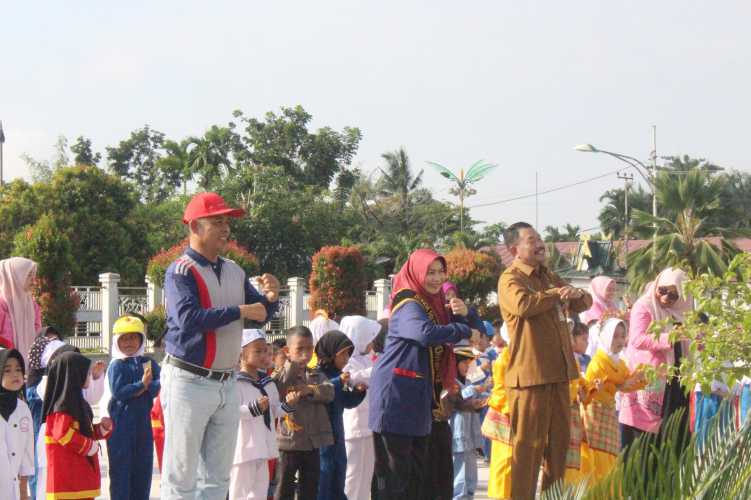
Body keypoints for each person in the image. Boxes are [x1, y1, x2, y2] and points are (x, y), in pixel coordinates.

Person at [161, 191, 280, 499]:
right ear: (194, 226)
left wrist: (272, 298)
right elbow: (188, 318)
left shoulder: (234, 270)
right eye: (217, 221)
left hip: (225, 382)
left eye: (227, 221)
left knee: (217, 478)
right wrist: (240, 311)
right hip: (188, 380)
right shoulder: (180, 271)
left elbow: (261, 314)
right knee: (181, 477)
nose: (226, 228)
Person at [369, 248, 480, 500]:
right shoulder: (408, 301)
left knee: (416, 477)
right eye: (430, 272)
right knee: (394, 478)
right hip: (396, 396)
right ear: (417, 272)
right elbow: (424, 333)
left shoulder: (437, 304)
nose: (437, 278)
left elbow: (475, 329)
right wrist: (461, 329)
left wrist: (467, 314)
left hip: (420, 399)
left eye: (441, 272)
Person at [497, 222, 591, 499]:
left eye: (539, 238)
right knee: (527, 453)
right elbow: (524, 305)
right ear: (514, 249)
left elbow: (582, 303)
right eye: (531, 240)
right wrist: (555, 294)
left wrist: (577, 293)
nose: (540, 244)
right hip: (529, 379)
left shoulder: (549, 275)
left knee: (558, 452)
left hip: (560, 377)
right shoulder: (509, 278)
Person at [619, 268, 691, 449]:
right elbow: (637, 339)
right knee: (644, 438)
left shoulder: (682, 311)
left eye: (674, 295)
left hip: (676, 378)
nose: (666, 298)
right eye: (663, 291)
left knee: (673, 433)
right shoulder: (645, 306)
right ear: (657, 285)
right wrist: (669, 338)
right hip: (649, 378)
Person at [34, 342, 106, 500]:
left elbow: (83, 430)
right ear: (74, 375)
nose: (88, 377)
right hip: (68, 481)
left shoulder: (78, 404)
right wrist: (89, 446)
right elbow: (63, 433)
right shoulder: (62, 407)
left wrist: (102, 429)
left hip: (79, 478)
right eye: (86, 374)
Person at [231, 329, 296, 500]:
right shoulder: (235, 383)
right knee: (239, 493)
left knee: (259, 492)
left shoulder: (268, 384)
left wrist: (288, 405)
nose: (263, 355)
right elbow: (231, 412)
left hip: (263, 445)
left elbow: (274, 411)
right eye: (257, 351)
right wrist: (253, 408)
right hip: (243, 448)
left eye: (265, 351)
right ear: (242, 354)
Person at [578, 318, 645, 482]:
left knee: (611, 455)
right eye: (615, 336)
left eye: (623, 336)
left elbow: (626, 383)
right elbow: (590, 391)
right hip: (595, 415)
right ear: (607, 337)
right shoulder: (598, 362)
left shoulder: (620, 363)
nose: (620, 341)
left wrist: (643, 376)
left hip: (608, 413)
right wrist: (620, 385)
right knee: (598, 456)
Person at [272, 326, 335, 500]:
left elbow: (330, 392)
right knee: (284, 487)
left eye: (309, 348)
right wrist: (291, 365)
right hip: (288, 442)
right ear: (287, 350)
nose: (305, 354)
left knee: (309, 487)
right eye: (300, 349)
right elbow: (278, 387)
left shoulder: (315, 374)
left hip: (311, 442)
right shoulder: (281, 374)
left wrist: (310, 390)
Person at [102, 316, 161, 500]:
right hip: (120, 428)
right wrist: (141, 386)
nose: (129, 343)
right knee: (121, 473)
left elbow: (158, 385)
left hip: (143, 426)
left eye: (133, 337)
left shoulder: (148, 362)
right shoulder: (116, 365)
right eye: (124, 338)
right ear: (116, 341)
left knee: (143, 472)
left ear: (141, 339)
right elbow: (119, 391)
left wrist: (144, 387)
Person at [315, 330, 366, 500]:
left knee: (339, 477)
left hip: (337, 435)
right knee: (324, 479)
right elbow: (320, 391)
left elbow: (346, 401)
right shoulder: (316, 373)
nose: (346, 359)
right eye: (342, 354)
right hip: (322, 438)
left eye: (348, 354)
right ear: (331, 353)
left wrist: (359, 392)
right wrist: (339, 382)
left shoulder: (338, 375)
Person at [340, 316, 382, 500]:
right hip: (353, 428)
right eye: (369, 337)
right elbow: (353, 378)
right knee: (352, 477)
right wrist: (380, 368)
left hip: (370, 425)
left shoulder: (367, 359)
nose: (372, 342)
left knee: (366, 478)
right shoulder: (345, 360)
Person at [24, 326, 63, 500]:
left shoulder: (63, 369)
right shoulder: (34, 373)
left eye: (56, 340)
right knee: (37, 468)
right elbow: (32, 394)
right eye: (48, 341)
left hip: (58, 428)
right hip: (38, 425)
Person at [450, 345, 486, 500]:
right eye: (463, 363)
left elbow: (468, 404)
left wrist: (478, 404)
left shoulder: (467, 381)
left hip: (470, 436)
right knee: (460, 476)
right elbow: (457, 400)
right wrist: (475, 390)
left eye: (468, 363)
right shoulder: (452, 382)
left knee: (471, 475)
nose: (466, 366)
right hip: (458, 435)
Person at [483, 326, 512, 500]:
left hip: (519, 414)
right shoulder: (504, 359)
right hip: (506, 414)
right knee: (504, 463)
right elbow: (500, 390)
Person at [1, 348, 34, 500]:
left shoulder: (23, 408)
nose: (15, 374)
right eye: (7, 370)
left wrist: (23, 492)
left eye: (19, 369)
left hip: (12, 489)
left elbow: (27, 451)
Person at [0, 257, 42, 362]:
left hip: (29, 367)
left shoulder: (33, 306)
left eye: (34, 276)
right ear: (15, 277)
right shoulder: (2, 305)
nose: (34, 281)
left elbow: (38, 336)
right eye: (29, 276)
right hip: (5, 365)